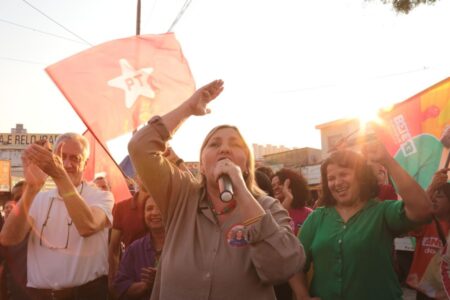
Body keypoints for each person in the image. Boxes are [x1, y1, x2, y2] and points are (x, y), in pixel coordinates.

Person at [128, 80, 304, 300]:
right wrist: (188, 109)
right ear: (201, 165)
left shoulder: (269, 207)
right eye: (214, 144)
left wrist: (239, 188)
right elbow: (140, 147)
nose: (224, 149)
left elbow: (283, 268)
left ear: (247, 164)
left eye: (235, 144)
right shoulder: (181, 196)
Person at [291, 141, 432, 300]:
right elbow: (295, 264)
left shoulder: (382, 212)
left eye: (344, 174)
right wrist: (303, 296)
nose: (337, 183)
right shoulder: (317, 218)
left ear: (361, 176)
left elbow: (423, 209)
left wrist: (387, 161)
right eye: (331, 178)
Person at [0, 134, 114, 300]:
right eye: (61, 158)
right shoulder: (39, 198)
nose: (67, 164)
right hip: (40, 295)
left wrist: (59, 175)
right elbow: (8, 238)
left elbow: (87, 225)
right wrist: (32, 187)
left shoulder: (101, 197)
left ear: (85, 163)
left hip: (85, 294)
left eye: (75, 158)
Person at [407, 168, 450, 299]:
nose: (434, 199)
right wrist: (432, 187)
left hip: (444, 290)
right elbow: (419, 208)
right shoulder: (426, 221)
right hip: (423, 288)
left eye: (440, 196)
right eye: (434, 196)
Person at [112, 195, 164, 300]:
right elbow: (121, 289)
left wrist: (163, 279)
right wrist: (145, 285)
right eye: (149, 209)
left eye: (161, 208)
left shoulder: (183, 246)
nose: (154, 213)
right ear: (143, 215)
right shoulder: (134, 249)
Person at [109, 176, 149, 291]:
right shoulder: (121, 207)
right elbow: (113, 250)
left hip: (162, 273)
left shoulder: (168, 206)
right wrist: (113, 282)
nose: (149, 176)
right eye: (144, 172)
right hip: (131, 276)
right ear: (137, 177)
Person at [0, 180, 31, 300]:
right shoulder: (8, 234)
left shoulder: (46, 226)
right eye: (17, 199)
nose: (21, 202)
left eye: (25, 197)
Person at [271, 168, 313, 236]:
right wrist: (288, 198)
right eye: (273, 186)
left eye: (280, 183)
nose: (275, 187)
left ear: (291, 185)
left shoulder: (309, 214)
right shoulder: (272, 212)